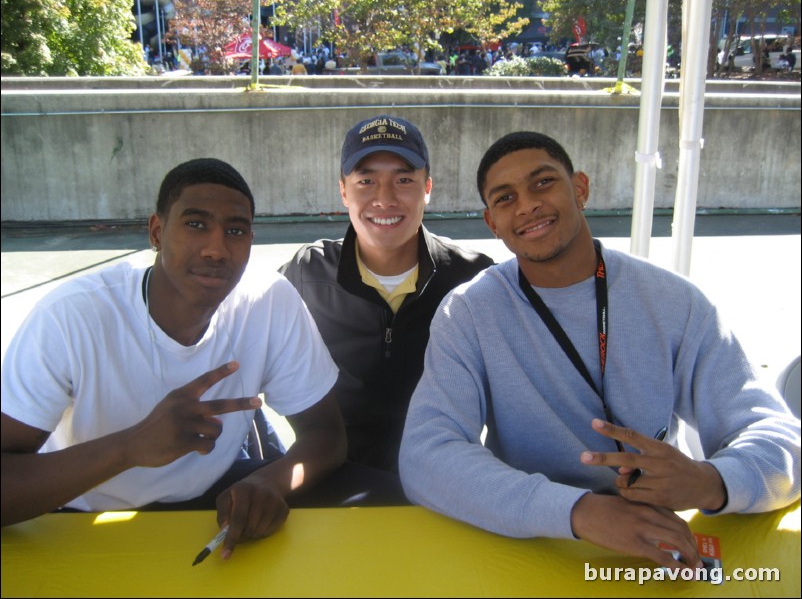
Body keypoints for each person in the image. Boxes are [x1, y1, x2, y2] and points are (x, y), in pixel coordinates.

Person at [399, 131, 801, 569]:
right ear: (492, 223)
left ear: (580, 189)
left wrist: (711, 481)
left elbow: (781, 439)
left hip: (663, 539)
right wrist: (577, 511)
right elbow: (426, 456)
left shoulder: (674, 301)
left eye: (543, 183)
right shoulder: (470, 313)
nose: (528, 205)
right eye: (505, 198)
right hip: (537, 546)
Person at [1, 158, 347, 558]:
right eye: (196, 224)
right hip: (80, 517)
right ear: (157, 232)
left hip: (209, 508)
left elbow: (327, 435)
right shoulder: (71, 316)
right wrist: (131, 446)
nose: (217, 248)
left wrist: (272, 481)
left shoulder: (268, 300)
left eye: (235, 230)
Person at [279, 115, 494, 504]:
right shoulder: (306, 274)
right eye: (365, 181)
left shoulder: (474, 278)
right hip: (331, 485)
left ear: (427, 188)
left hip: (445, 488)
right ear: (343, 191)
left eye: (404, 179)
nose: (385, 198)